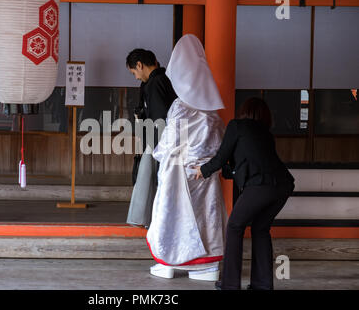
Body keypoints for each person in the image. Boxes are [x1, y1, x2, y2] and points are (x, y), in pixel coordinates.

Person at [146, 34, 227, 281]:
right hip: (205, 171)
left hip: (177, 172)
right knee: (205, 215)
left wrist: (158, 153)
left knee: (171, 213)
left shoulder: (180, 106)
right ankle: (206, 266)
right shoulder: (210, 109)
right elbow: (220, 142)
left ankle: (169, 262)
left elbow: (170, 144)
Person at [194, 97, 295, 290]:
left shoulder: (237, 126)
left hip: (260, 186)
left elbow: (221, 157)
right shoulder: (266, 134)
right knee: (260, 229)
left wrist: (203, 170)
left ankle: (230, 285)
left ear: (244, 112)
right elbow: (236, 166)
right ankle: (262, 285)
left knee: (234, 226)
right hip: (283, 186)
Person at [126, 49, 177, 228]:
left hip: (159, 141)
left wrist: (157, 146)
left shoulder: (157, 83)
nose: (136, 77)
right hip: (156, 139)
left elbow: (160, 117)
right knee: (149, 179)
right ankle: (150, 219)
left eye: (134, 72)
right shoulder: (156, 81)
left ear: (139, 65)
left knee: (154, 179)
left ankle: (154, 220)